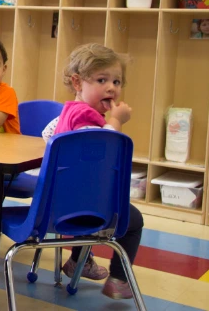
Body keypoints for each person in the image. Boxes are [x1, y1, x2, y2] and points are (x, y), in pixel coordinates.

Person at [42, 42, 143, 300]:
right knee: (133, 220)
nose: (111, 87)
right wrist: (116, 121)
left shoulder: (70, 111)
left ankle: (80, 261)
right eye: (101, 80)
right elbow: (102, 147)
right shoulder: (86, 118)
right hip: (80, 206)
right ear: (77, 82)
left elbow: (48, 133)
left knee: (95, 201)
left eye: (116, 82)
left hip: (61, 201)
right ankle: (119, 279)